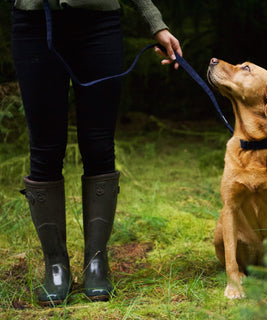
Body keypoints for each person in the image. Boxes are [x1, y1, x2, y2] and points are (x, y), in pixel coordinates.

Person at [11, 0, 182, 306]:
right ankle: (56, 267)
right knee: (45, 150)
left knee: (99, 146)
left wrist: (156, 23)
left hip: (99, 23)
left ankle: (96, 264)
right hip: (34, 22)